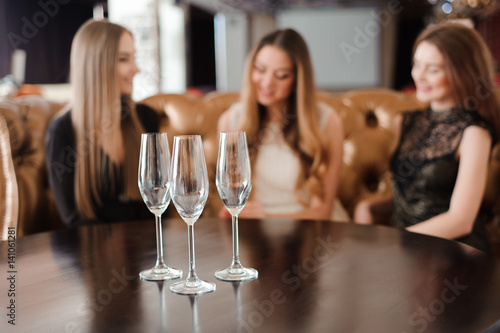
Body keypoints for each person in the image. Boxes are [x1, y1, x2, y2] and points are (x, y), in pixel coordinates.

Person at [353, 23, 500, 253]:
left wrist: (393, 242)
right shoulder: (405, 122)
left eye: (433, 69)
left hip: (455, 253)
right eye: (417, 64)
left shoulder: (474, 133)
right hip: (408, 251)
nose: (418, 76)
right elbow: (412, 196)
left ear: (461, 73)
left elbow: (461, 220)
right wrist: (369, 207)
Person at [218, 28, 346, 221]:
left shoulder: (326, 122)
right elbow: (229, 205)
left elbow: (322, 213)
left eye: (281, 75)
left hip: (311, 232)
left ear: (297, 81)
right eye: (260, 70)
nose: (267, 83)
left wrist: (268, 218)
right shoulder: (231, 121)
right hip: (254, 234)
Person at [46, 19, 159, 227]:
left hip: (149, 253)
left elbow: (161, 207)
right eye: (124, 59)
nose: (136, 69)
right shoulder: (62, 132)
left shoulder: (147, 119)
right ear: (96, 66)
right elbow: (74, 219)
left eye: (134, 58)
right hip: (93, 253)